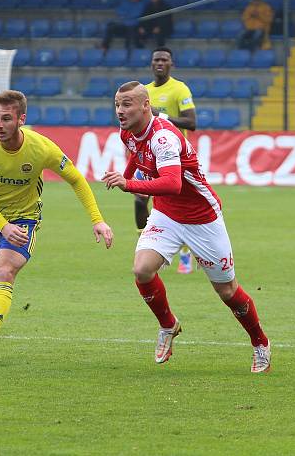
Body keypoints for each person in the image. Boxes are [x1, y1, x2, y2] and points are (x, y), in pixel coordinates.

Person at [101, 81, 271, 373]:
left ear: (145, 106)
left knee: (227, 291)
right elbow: (136, 155)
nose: (120, 110)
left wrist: (128, 184)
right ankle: (168, 325)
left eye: (126, 104)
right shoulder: (126, 131)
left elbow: (172, 183)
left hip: (201, 217)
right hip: (166, 214)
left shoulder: (164, 138)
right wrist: (125, 173)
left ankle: (260, 343)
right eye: (117, 104)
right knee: (142, 269)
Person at [0, 90, 114, 365]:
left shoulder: (41, 148)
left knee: (5, 270)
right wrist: (2, 225)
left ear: (21, 119)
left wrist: (97, 219)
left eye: (6, 119)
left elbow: (77, 180)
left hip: (24, 219)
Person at [141, 47, 197, 273]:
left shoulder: (179, 89)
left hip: (175, 158)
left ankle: (185, 253)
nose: (160, 63)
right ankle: (149, 247)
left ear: (171, 64)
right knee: (139, 201)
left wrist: (160, 115)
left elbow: (191, 122)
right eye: (156, 59)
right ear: (151, 64)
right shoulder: (142, 91)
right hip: (149, 158)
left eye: (164, 59)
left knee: (177, 208)